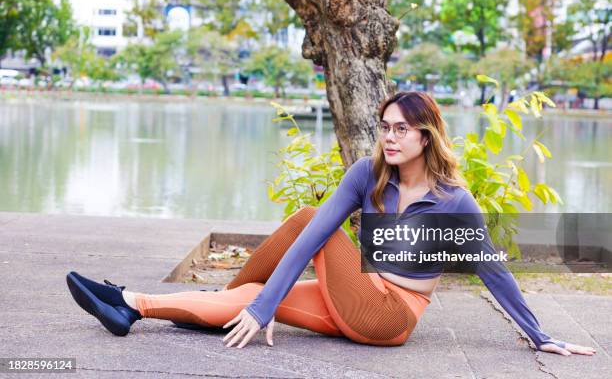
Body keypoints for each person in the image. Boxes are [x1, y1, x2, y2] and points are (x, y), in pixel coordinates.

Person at [66, 91, 596, 356]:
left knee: (304, 225)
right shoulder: (367, 174)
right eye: (385, 127)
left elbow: (493, 270)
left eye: (403, 130)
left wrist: (540, 335)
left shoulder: (454, 199)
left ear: (427, 137)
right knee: (250, 296)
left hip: (391, 316)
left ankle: (244, 304)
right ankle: (132, 304)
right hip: (354, 294)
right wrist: (263, 301)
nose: (390, 138)